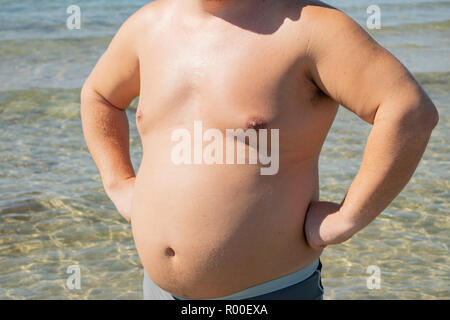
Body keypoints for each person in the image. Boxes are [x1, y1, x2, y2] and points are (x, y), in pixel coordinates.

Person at [80, 0, 438, 300]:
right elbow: (100, 96)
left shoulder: (310, 29)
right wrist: (119, 183)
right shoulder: (149, 25)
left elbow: (408, 112)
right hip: (158, 290)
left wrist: (348, 219)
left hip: (269, 293)